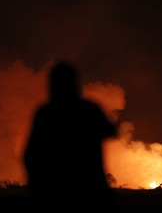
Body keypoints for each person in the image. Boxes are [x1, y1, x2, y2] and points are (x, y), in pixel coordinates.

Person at [23, 60, 117, 211]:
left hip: (53, 196)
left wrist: (37, 185)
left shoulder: (46, 113)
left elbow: (31, 154)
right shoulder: (89, 110)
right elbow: (109, 131)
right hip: (90, 194)